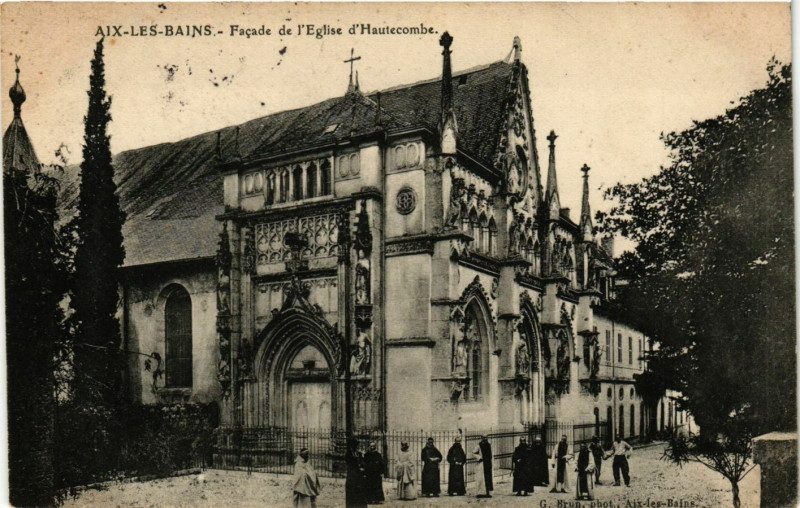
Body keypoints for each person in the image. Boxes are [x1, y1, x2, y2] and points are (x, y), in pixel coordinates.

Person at [345, 437, 367, 508]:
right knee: (351, 493)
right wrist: (358, 465)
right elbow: (350, 463)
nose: (355, 447)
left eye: (356, 445)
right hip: (352, 476)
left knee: (360, 493)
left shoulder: (359, 453)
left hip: (359, 477)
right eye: (353, 445)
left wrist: (362, 466)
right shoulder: (348, 454)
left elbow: (363, 462)